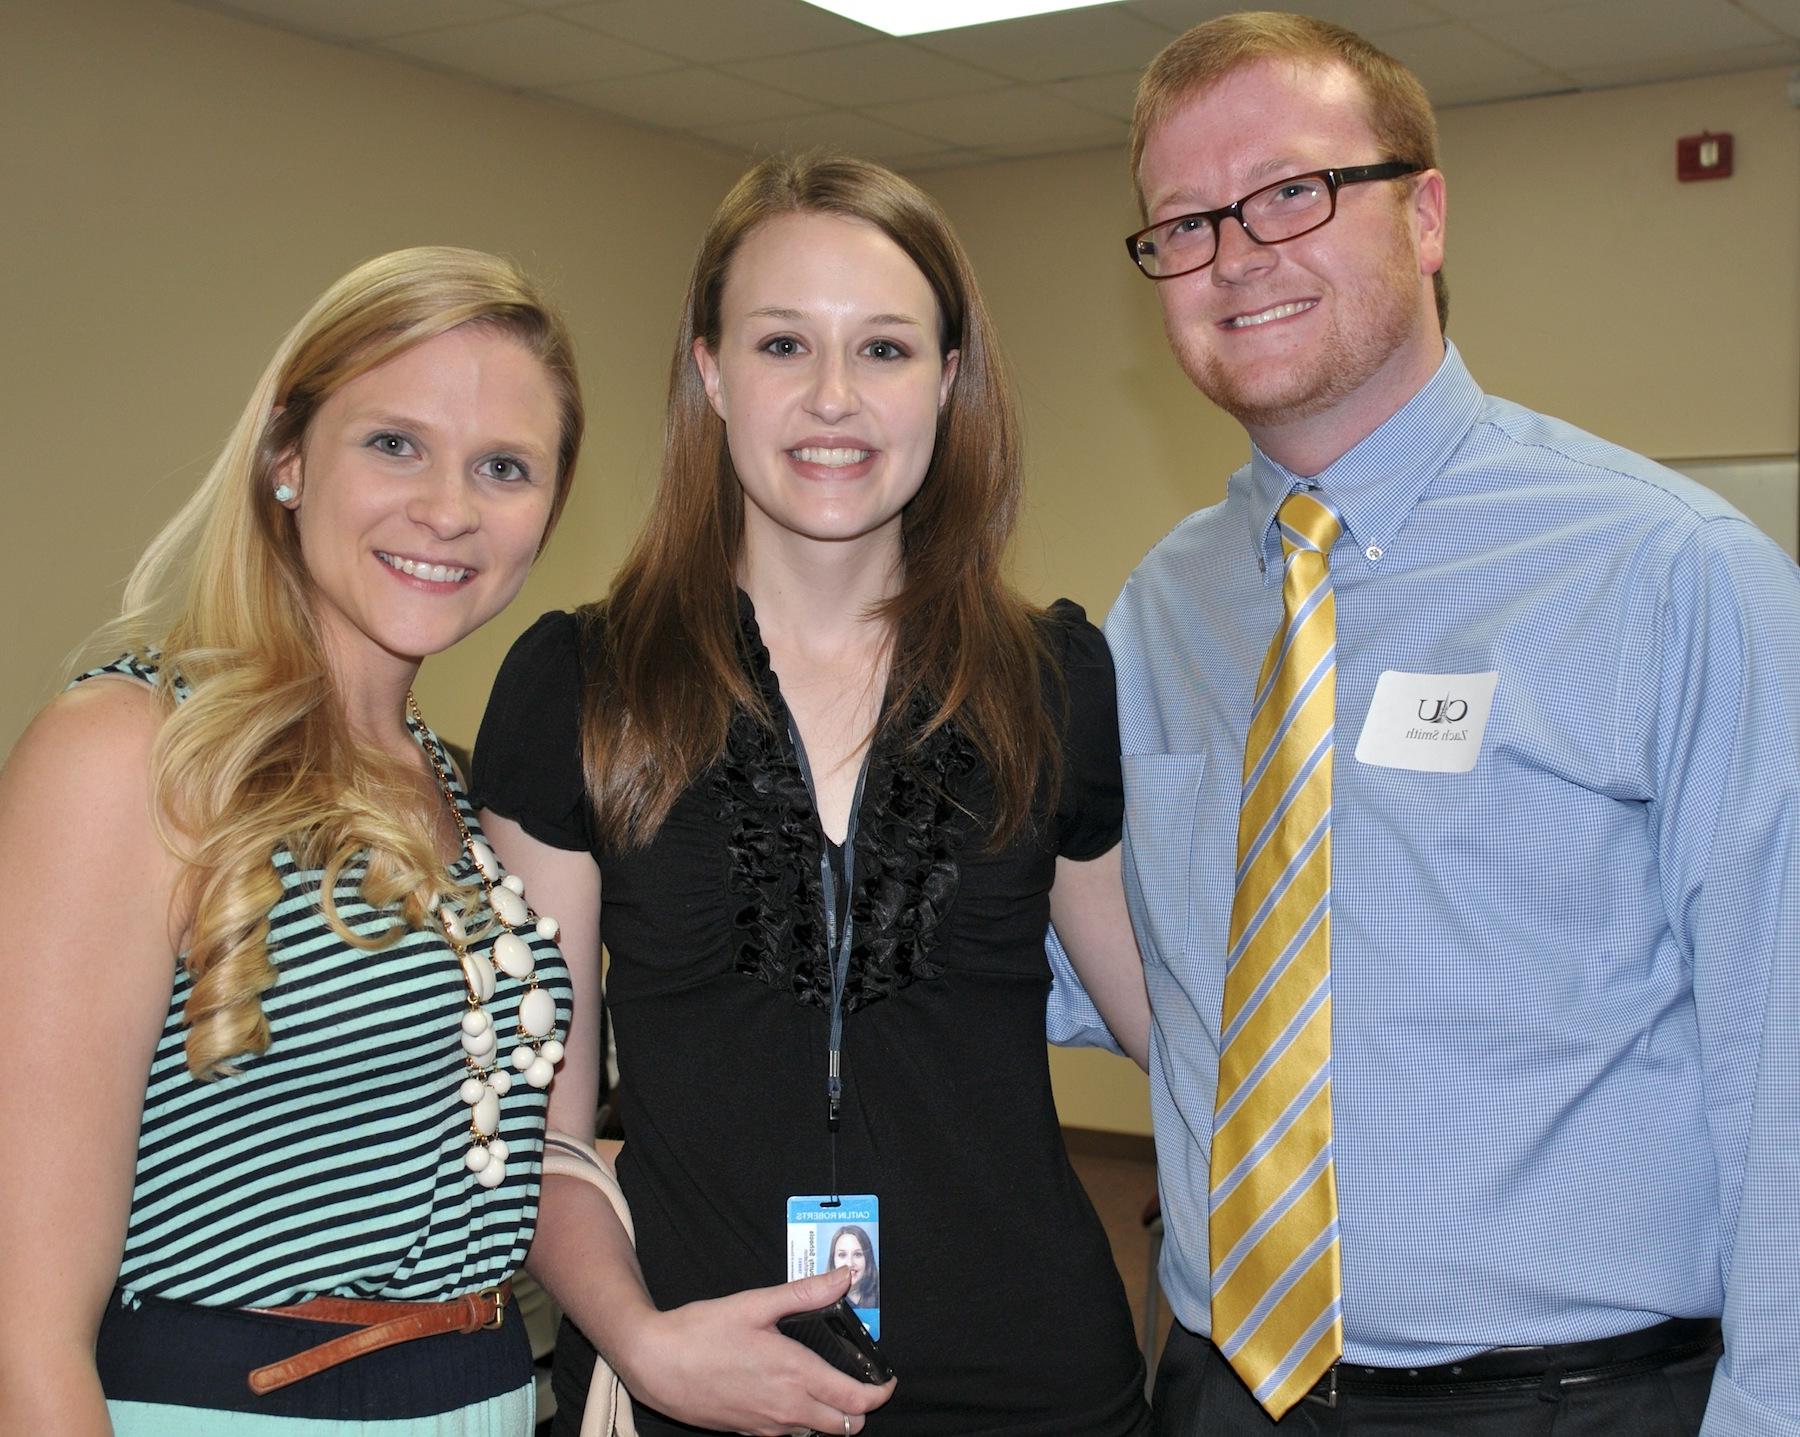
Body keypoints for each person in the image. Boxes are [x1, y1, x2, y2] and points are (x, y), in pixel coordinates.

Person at [1045, 12, 1800, 1436]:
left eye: (1291, 192)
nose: (1239, 251)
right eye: (1186, 222)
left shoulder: (1671, 575)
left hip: (1572, 1403)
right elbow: (1149, 977)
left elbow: (1789, 1060)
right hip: (1221, 1390)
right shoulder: (1160, 614)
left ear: (1428, 212)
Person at [473, 152, 1153, 1437]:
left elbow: (1176, 1028)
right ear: (711, 371)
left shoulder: (1050, 677)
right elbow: (540, 1135)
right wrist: (645, 1345)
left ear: (949, 381)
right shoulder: (582, 682)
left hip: (1030, 1389)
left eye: (886, 350)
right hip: (692, 1381)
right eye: (784, 343)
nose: (834, 399)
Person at [0, 246, 585, 1433]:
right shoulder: (133, 750)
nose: (450, 508)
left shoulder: (448, 790)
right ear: (285, 458)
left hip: (486, 1394)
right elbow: (25, 1325)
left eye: (505, 467)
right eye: (394, 443)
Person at [828, 1227, 880, 1311]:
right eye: (842, 1255)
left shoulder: (879, 1296)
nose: (850, 1263)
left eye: (858, 1254)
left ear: (868, 1259)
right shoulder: (823, 1301)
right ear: (833, 1260)